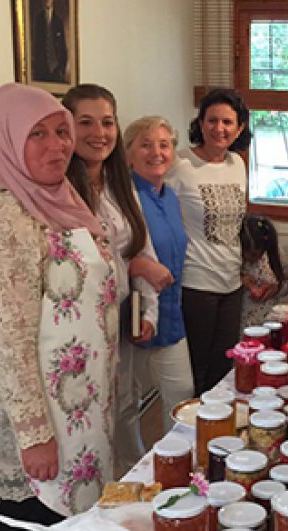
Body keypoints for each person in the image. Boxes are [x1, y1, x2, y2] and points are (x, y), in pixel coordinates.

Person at [0, 83, 117, 531]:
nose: (57, 145)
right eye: (37, 135)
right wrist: (32, 433)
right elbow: (5, 336)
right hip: (31, 410)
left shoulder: (55, 199)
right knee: (24, 522)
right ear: (6, 140)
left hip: (74, 404)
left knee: (58, 528)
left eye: (61, 131)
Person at [62, 83, 163, 473]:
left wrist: (147, 313)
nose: (98, 133)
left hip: (122, 323)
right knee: (88, 421)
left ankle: (127, 496)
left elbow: (141, 252)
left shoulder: (121, 187)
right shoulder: (59, 192)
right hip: (80, 333)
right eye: (84, 122)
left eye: (106, 122)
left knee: (125, 412)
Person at [167, 88, 252, 395]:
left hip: (231, 283)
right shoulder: (180, 165)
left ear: (239, 127)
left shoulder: (237, 164)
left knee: (222, 365)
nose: (220, 128)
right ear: (200, 123)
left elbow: (239, 224)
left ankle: (217, 430)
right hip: (195, 282)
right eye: (212, 120)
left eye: (228, 122)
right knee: (195, 369)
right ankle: (190, 430)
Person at [123, 115, 196, 422]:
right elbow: (107, 259)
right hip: (133, 314)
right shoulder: (123, 198)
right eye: (146, 145)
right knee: (126, 402)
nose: (157, 152)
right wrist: (140, 267)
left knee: (182, 392)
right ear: (128, 153)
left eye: (164, 145)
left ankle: (172, 463)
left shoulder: (170, 197)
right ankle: (130, 466)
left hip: (170, 312)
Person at [240, 214, 288, 327]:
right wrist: (242, 281)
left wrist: (277, 288)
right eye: (249, 255)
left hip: (269, 321)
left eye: (257, 254)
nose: (253, 259)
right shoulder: (235, 260)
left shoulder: (274, 256)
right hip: (242, 323)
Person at [29, 0, 68, 83]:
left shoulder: (58, 20)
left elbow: (62, 46)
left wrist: (62, 67)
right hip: (42, 67)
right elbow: (35, 45)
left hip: (56, 68)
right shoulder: (38, 19)